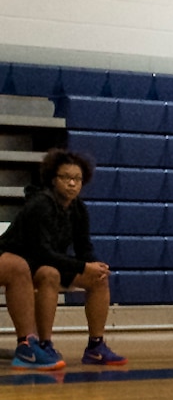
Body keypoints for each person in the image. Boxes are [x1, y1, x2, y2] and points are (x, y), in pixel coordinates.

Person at [2, 150, 125, 370]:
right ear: (52, 179)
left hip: (46, 259)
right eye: (65, 178)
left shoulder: (78, 209)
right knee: (50, 273)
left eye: (76, 179)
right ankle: (44, 343)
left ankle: (95, 346)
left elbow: (83, 247)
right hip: (26, 259)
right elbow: (42, 252)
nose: (71, 184)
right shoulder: (40, 205)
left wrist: (94, 266)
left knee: (98, 279)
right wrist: (82, 266)